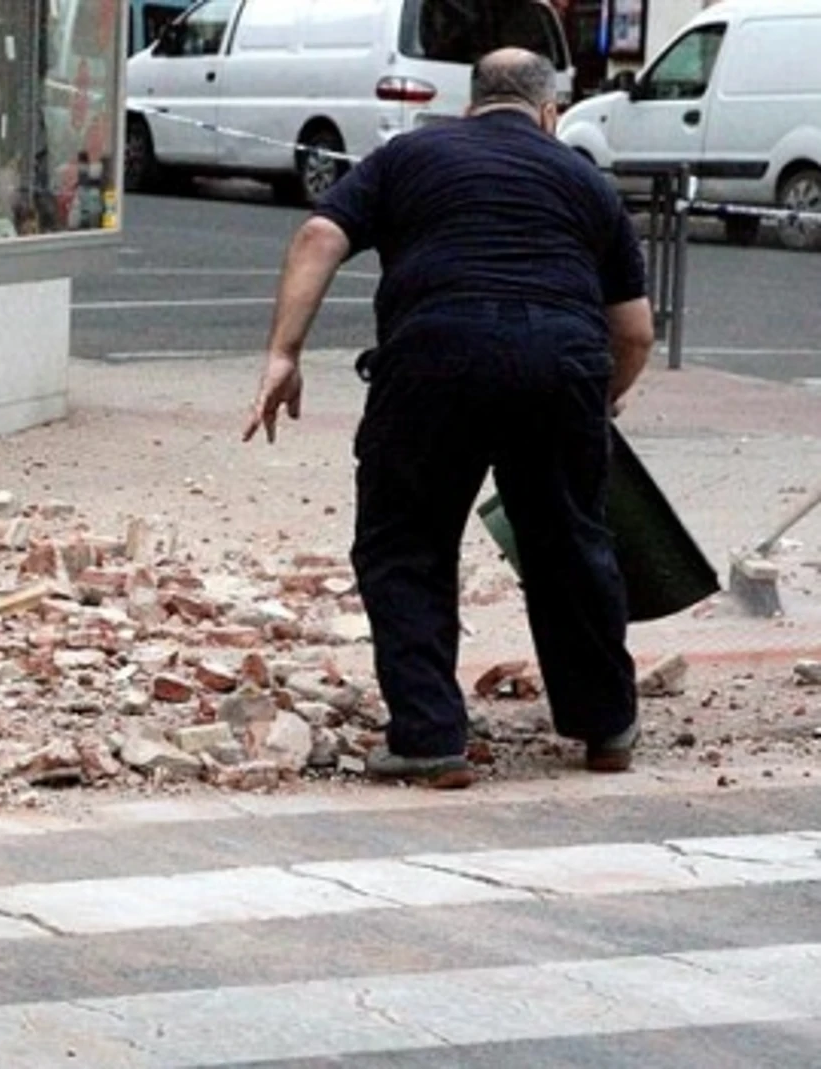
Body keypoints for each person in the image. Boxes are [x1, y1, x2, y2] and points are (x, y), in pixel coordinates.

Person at [242, 48, 655, 789]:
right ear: (550, 112)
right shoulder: (586, 183)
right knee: (570, 540)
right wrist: (598, 401)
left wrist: (283, 352)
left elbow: (318, 236)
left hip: (434, 357)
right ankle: (605, 724)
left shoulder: (408, 154)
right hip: (559, 362)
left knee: (406, 540)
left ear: (470, 106)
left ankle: (430, 735)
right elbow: (633, 333)